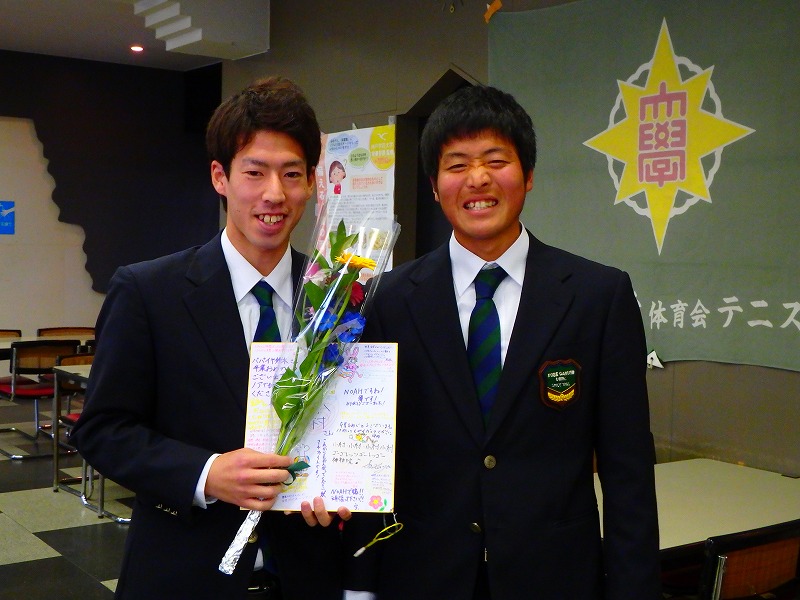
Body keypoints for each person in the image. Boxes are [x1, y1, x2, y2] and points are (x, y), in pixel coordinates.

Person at [347, 85, 661, 598]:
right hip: (423, 575)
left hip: (555, 579)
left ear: (528, 175)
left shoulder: (597, 296)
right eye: (457, 165)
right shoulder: (388, 300)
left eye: (496, 160)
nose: (478, 179)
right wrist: (359, 584)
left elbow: (628, 470)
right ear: (434, 186)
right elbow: (370, 457)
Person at [71, 76, 350, 600]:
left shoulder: (337, 298)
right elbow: (102, 430)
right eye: (255, 172)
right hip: (184, 574)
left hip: (308, 575)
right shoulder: (149, 291)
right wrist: (206, 473)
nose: (274, 193)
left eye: (292, 174)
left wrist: (345, 486)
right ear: (220, 177)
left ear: (312, 182)